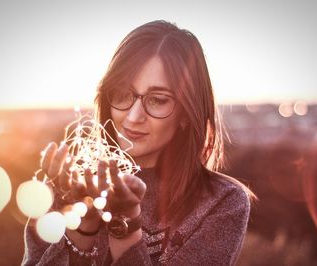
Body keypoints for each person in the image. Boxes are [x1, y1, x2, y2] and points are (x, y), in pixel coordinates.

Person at [22, 20, 254, 266]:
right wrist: (82, 230)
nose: (133, 117)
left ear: (187, 112)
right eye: (123, 93)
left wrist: (127, 225)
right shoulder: (70, 184)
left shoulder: (221, 202)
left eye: (157, 100)